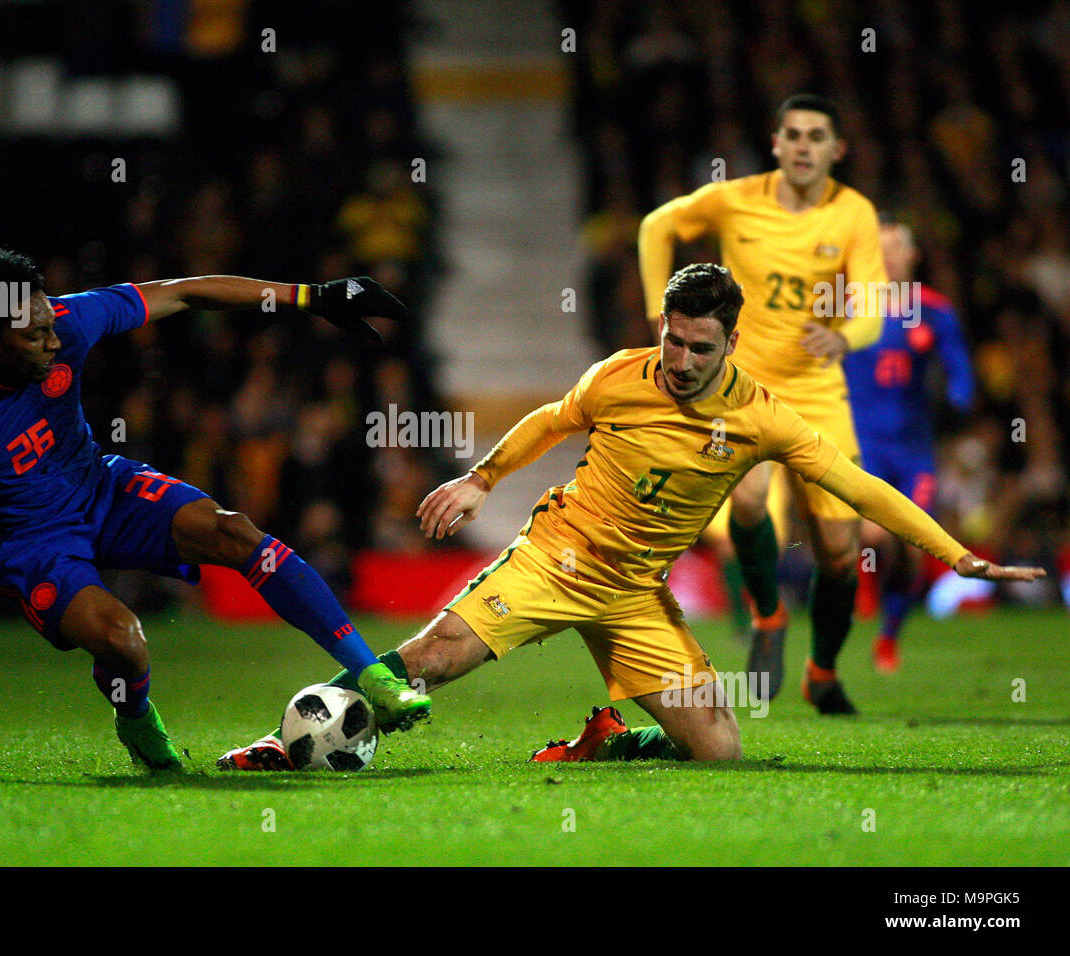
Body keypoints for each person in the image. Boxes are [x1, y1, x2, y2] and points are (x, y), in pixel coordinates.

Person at [218, 263, 1042, 769]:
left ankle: (610, 738)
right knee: (430, 658)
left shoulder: (764, 417)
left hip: (636, 592)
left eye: (698, 347)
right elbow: (552, 418)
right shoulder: (623, 374)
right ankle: (282, 740)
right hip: (558, 556)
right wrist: (482, 477)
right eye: (672, 339)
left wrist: (956, 554)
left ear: (732, 342)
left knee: (719, 751)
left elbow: (861, 488)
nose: (678, 361)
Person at [0, 249, 430, 771]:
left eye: (50, 320)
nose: (53, 337)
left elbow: (185, 292)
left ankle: (369, 673)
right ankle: (137, 722)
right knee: (126, 643)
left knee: (234, 533)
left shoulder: (67, 320)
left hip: (101, 487)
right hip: (30, 544)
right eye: (34, 333)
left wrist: (311, 297)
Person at [638, 93, 888, 713]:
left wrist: (844, 334)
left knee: (838, 552)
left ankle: (822, 671)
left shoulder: (853, 214)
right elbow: (655, 226)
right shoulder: (734, 198)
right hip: (741, 388)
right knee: (748, 501)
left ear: (837, 150)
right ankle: (769, 617)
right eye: (793, 135)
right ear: (776, 144)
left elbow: (876, 306)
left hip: (818, 391)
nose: (804, 145)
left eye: (816, 136)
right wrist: (657, 315)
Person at [844, 220, 976, 673]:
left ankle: (888, 635)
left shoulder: (934, 310)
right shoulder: (844, 308)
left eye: (897, 247)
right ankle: (862, 588)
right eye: (879, 247)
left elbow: (961, 370)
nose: (889, 255)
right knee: (875, 533)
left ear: (912, 256)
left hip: (915, 449)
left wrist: (959, 398)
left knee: (911, 545)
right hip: (864, 447)